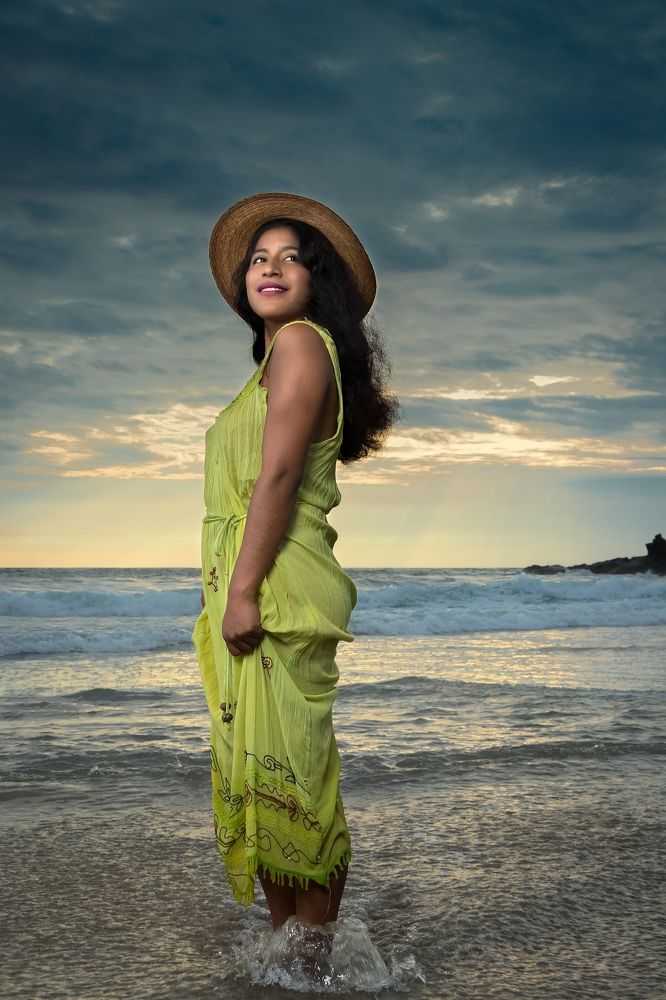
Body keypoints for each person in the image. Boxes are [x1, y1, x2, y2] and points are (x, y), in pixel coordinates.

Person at [192, 192, 397, 930]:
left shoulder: (302, 343)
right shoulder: (280, 360)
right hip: (255, 577)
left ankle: (313, 952)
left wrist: (243, 590)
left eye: (291, 258)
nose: (270, 267)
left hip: (276, 582)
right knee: (262, 774)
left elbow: (277, 477)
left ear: (318, 280)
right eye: (259, 257)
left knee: (297, 781)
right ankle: (293, 952)